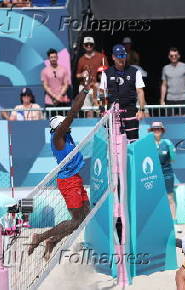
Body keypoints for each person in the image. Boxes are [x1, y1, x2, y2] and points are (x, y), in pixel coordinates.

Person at [28, 76, 91, 260]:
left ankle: (51, 241)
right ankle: (41, 237)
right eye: (64, 126)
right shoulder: (58, 138)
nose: (68, 127)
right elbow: (72, 113)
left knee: (83, 218)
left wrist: (85, 91)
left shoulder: (65, 136)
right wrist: (85, 91)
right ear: (59, 128)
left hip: (75, 177)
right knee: (76, 220)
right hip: (68, 182)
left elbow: (71, 116)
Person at [99, 44, 147, 141]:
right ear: (113, 57)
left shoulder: (135, 72)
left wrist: (142, 110)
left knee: (133, 141)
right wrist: (102, 110)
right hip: (113, 112)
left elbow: (140, 91)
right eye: (119, 56)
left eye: (123, 55)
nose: (121, 58)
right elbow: (102, 92)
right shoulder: (106, 73)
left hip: (130, 110)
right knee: (114, 142)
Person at [148, 122, 179, 230]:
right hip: (153, 175)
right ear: (151, 131)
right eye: (154, 129)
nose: (156, 130)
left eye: (159, 129)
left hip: (166, 173)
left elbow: (173, 159)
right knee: (153, 198)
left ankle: (174, 222)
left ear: (162, 130)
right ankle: (156, 223)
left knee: (170, 197)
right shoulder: (148, 144)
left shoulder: (167, 143)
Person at [76, 37, 109, 118]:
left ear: (94, 45)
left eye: (90, 44)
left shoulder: (101, 57)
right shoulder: (81, 59)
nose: (89, 46)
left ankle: (102, 127)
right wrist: (82, 74)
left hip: (98, 87)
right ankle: (90, 128)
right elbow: (77, 75)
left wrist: (102, 77)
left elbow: (108, 72)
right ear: (83, 46)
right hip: (86, 87)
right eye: (86, 44)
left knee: (101, 109)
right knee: (88, 110)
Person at [161, 47, 185, 115]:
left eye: (175, 55)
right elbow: (164, 85)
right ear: (169, 57)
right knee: (170, 121)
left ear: (179, 56)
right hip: (170, 99)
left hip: (183, 98)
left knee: (183, 120)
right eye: (171, 56)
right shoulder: (165, 68)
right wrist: (162, 100)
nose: (174, 57)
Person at [41, 48, 71, 117]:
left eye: (54, 57)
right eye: (51, 57)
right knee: (52, 124)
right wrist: (55, 97)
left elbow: (65, 84)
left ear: (57, 57)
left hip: (62, 101)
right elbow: (45, 86)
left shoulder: (64, 70)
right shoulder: (44, 71)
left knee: (63, 124)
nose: (53, 59)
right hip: (50, 102)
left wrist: (59, 96)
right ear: (48, 58)